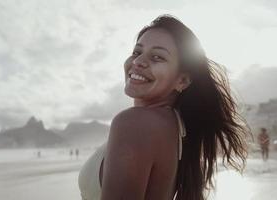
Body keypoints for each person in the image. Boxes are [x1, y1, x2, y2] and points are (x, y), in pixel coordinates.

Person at [78, 14, 249, 200]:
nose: (137, 62)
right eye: (136, 52)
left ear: (182, 80)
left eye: (157, 57)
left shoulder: (135, 123)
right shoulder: (176, 127)